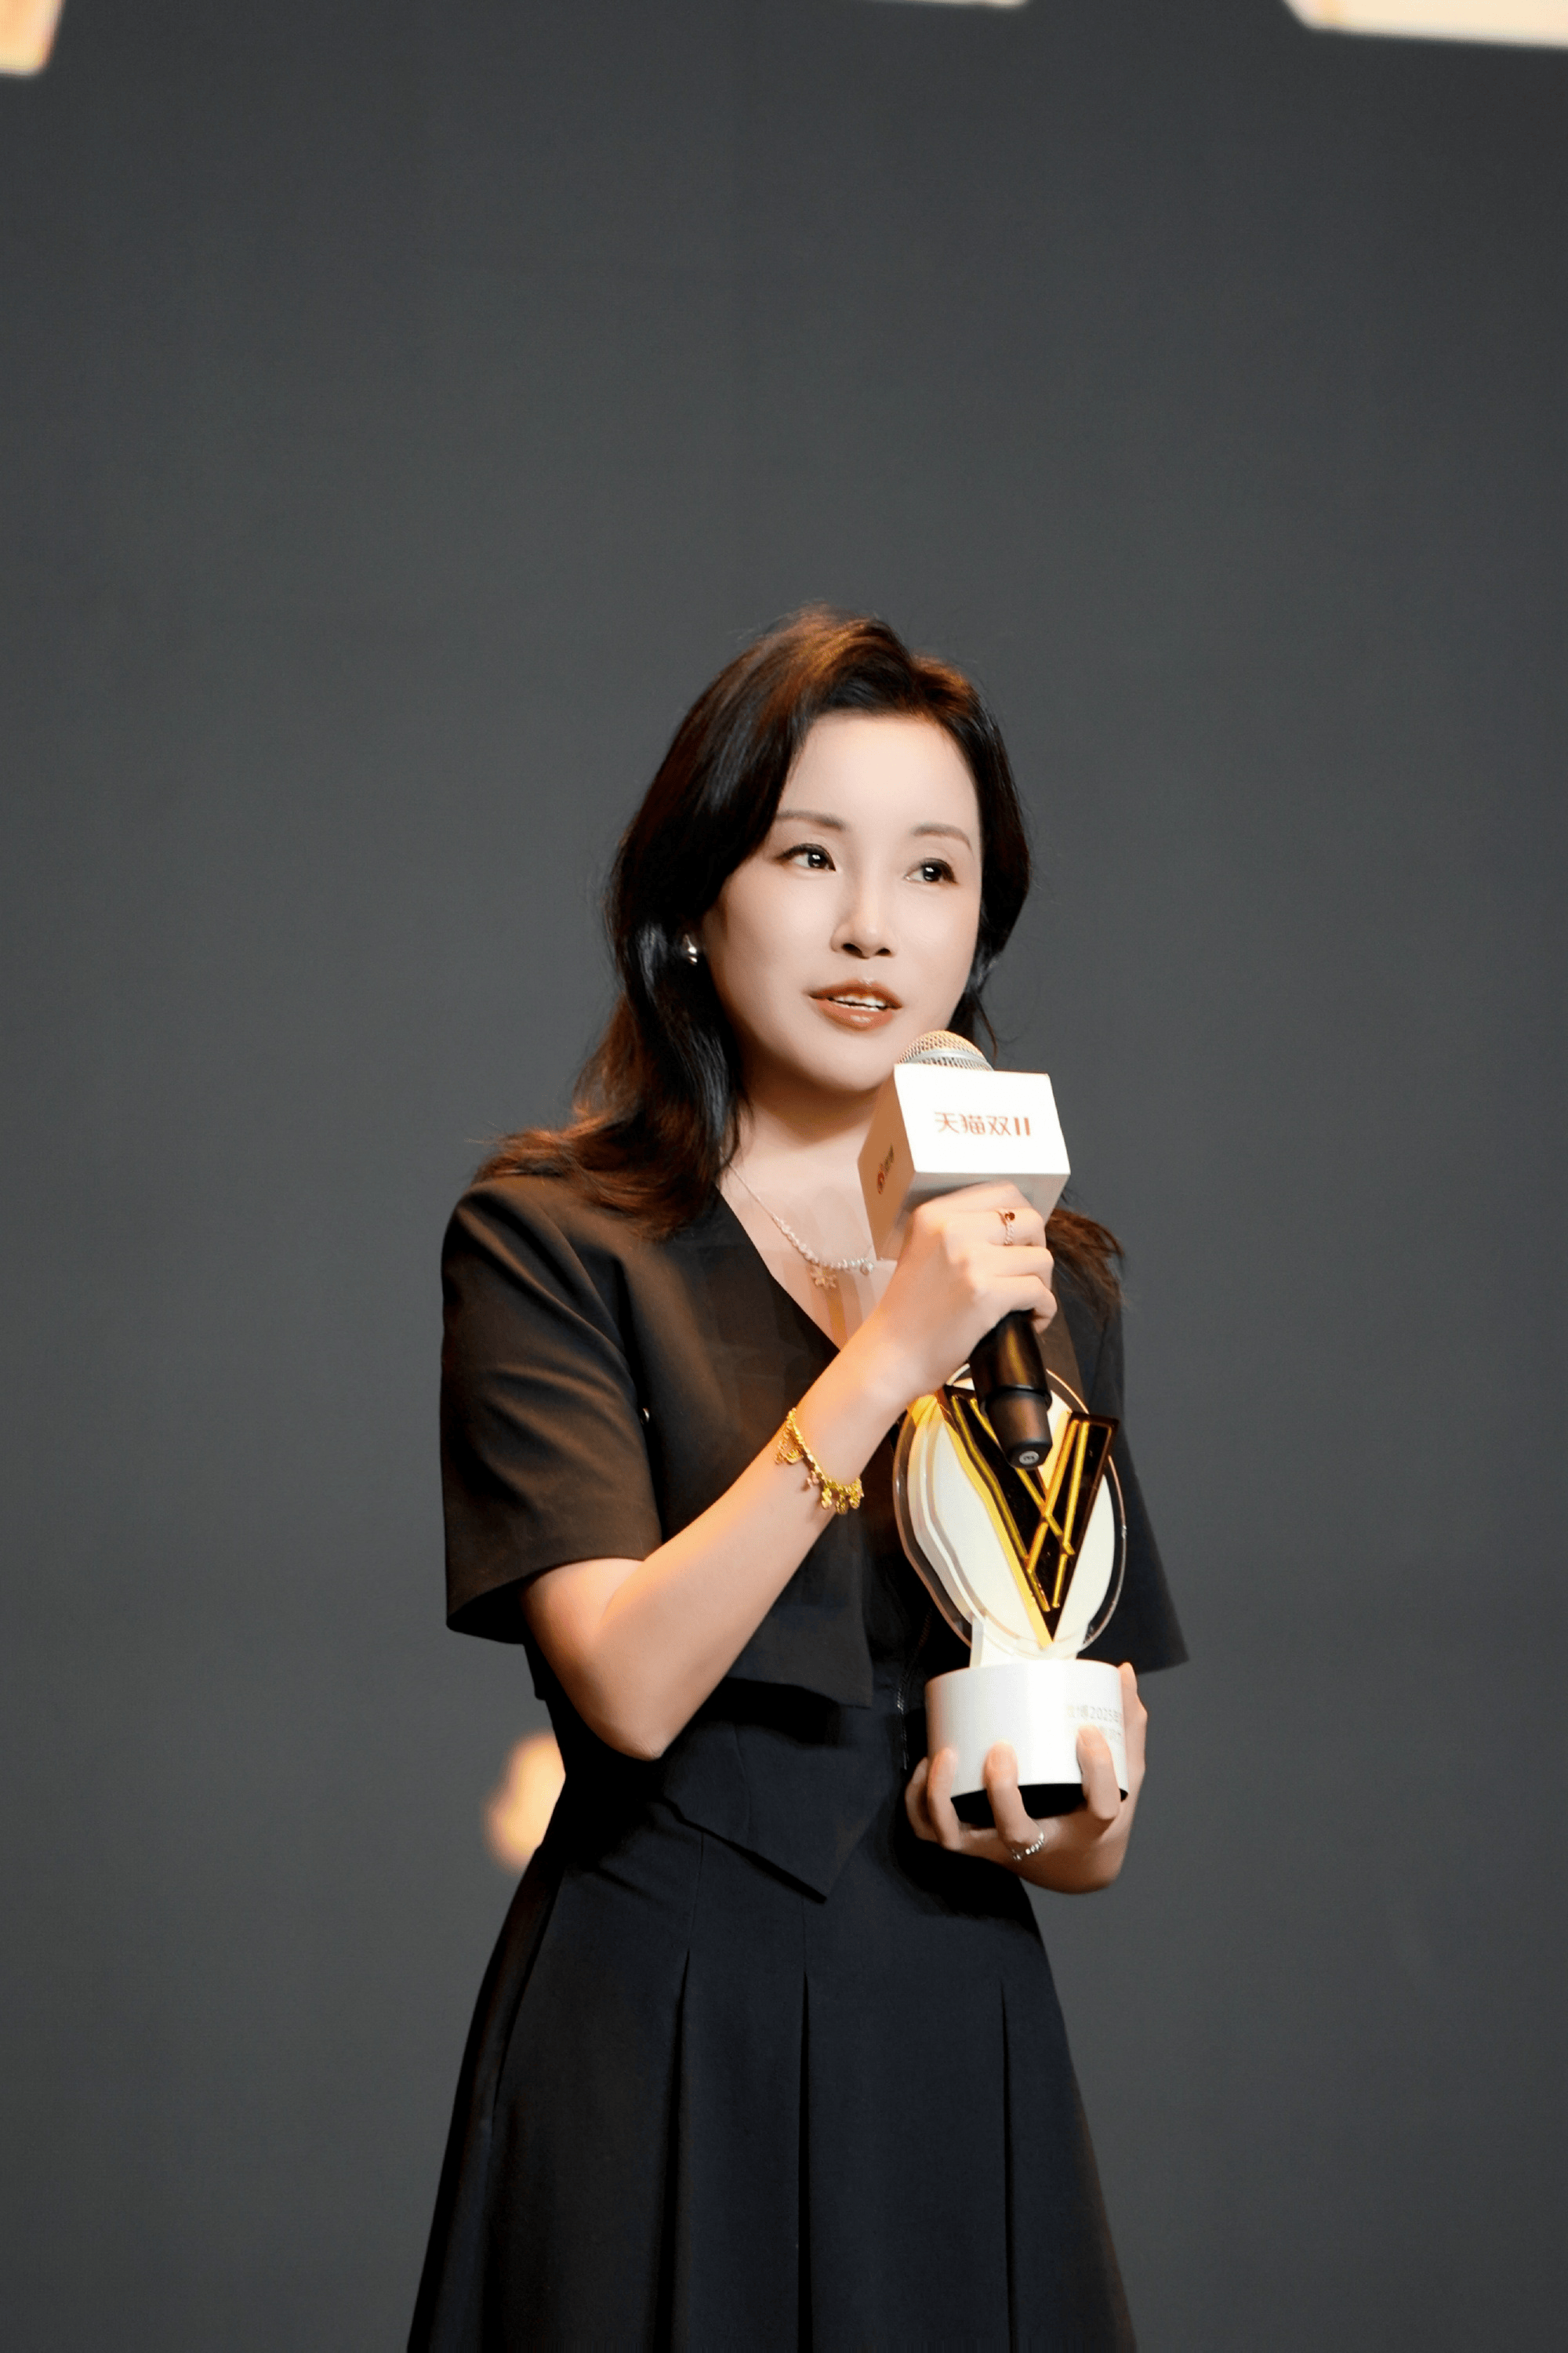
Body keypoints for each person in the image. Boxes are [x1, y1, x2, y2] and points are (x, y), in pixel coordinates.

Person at [409, 611, 1185, 2351]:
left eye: (933, 870)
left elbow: (1092, 1824)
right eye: (809, 855)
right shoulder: (552, 1238)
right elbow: (625, 1684)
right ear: (697, 901)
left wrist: (1069, 1813)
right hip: (668, 2019)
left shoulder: (1042, 1272)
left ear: (980, 922)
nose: (871, 926)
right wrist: (887, 1354)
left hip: (956, 2024)